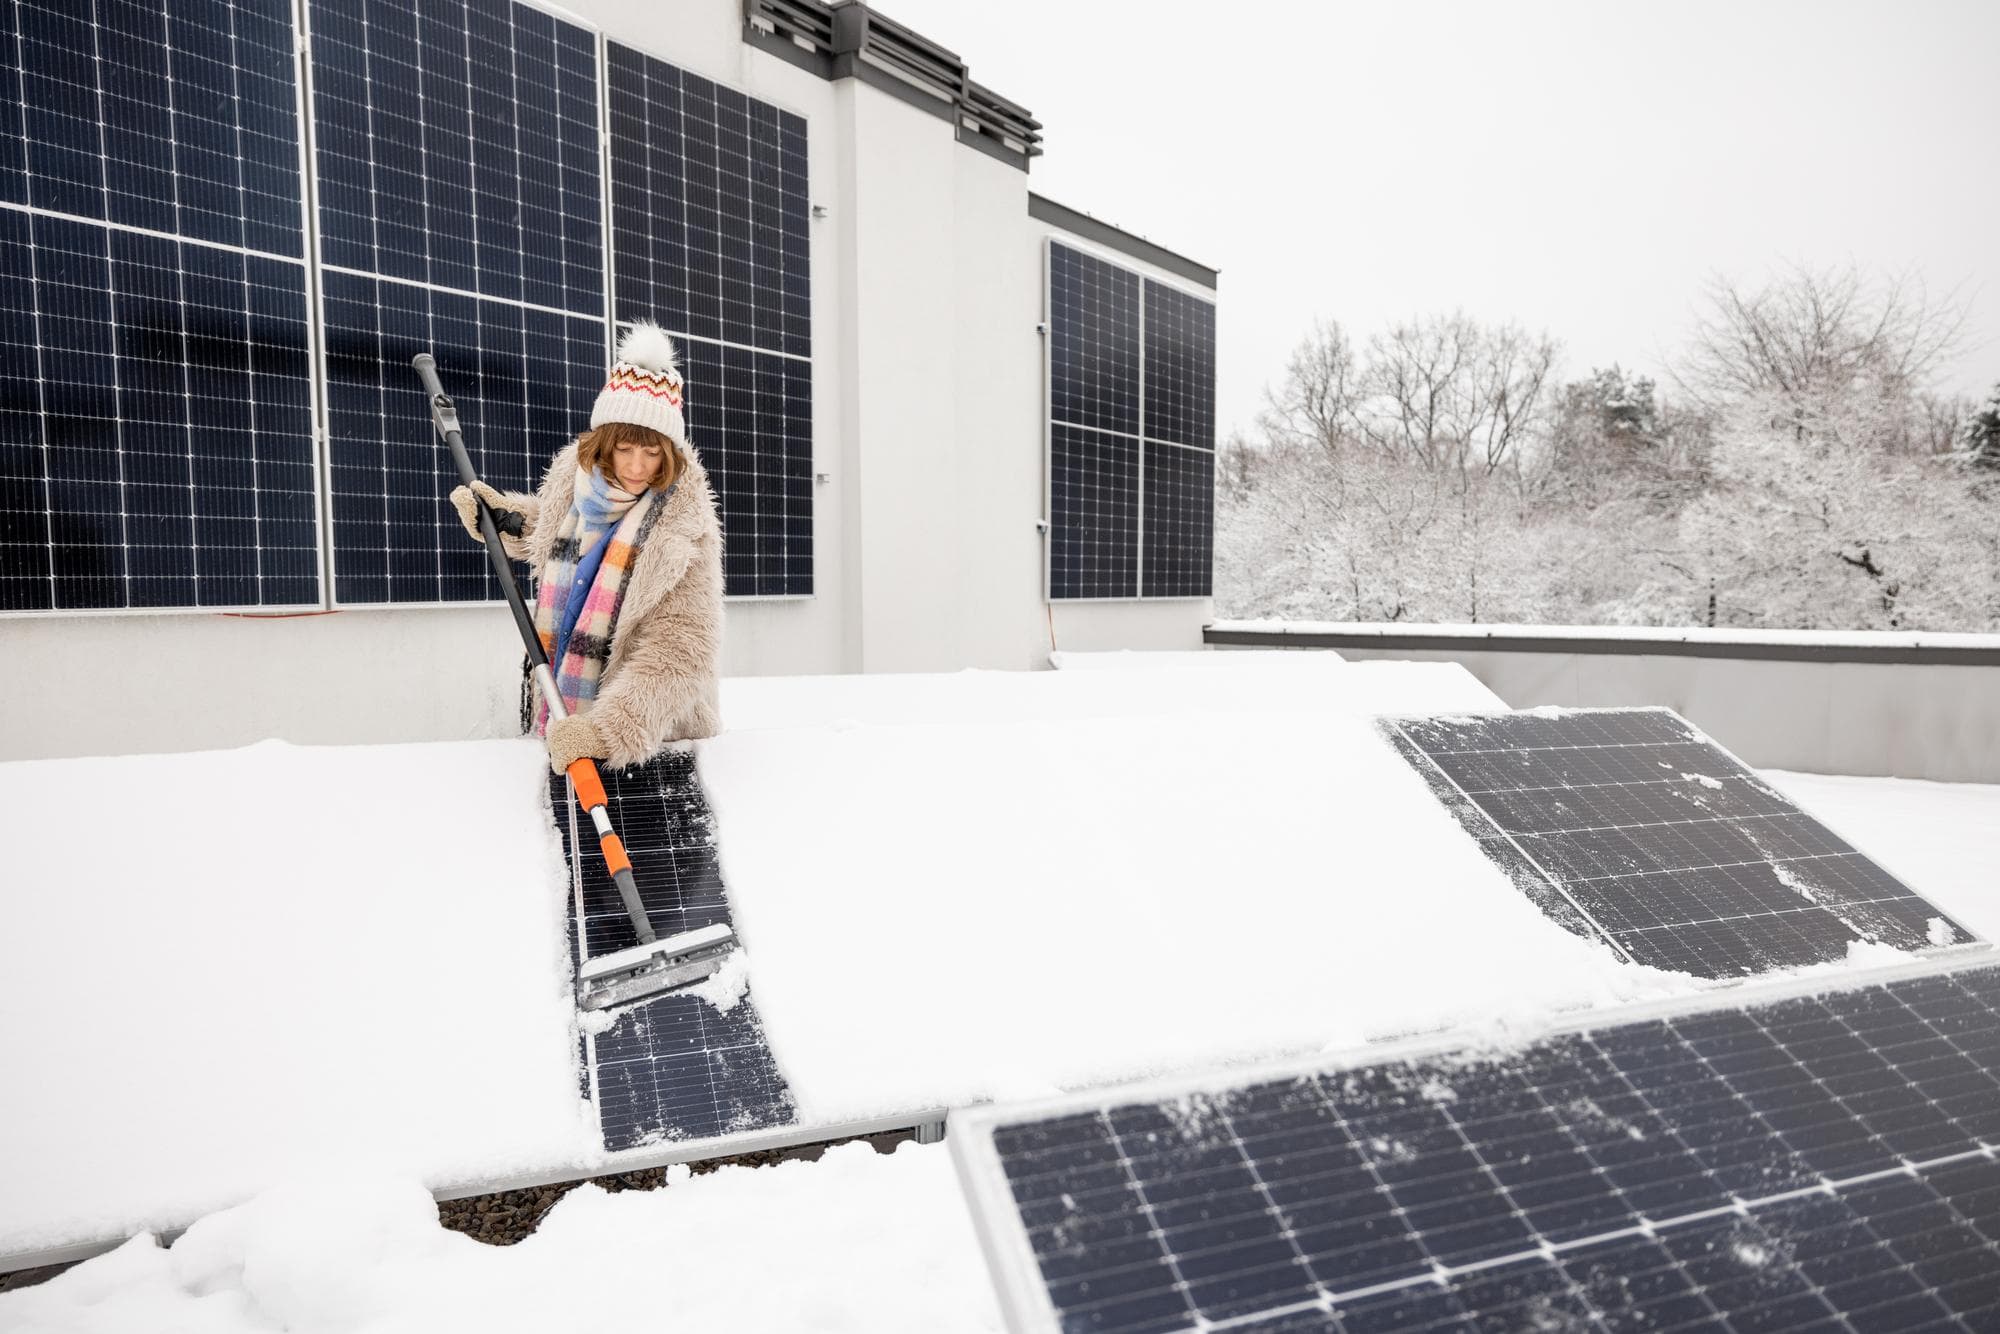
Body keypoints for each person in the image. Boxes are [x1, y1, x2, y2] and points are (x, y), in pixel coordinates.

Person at [450, 322, 722, 772]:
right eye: (626, 449)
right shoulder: (576, 484)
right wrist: (503, 522)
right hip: (565, 721)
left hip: (659, 747)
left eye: (653, 452)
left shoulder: (684, 525)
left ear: (669, 452)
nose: (638, 466)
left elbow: (680, 652)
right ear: (604, 445)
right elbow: (557, 541)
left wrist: (607, 732)